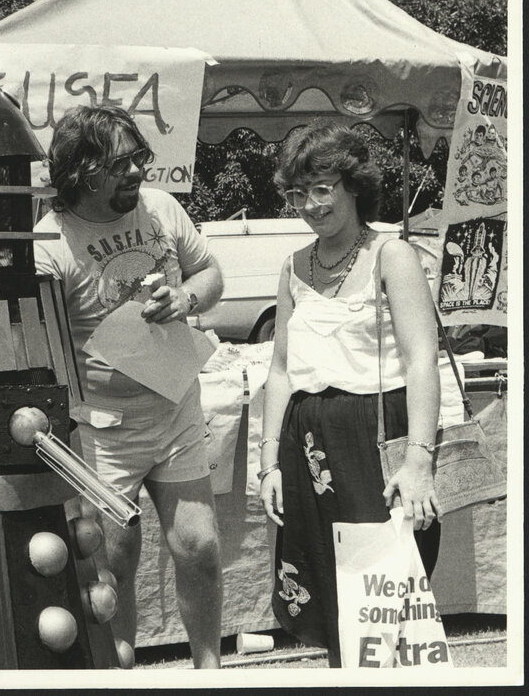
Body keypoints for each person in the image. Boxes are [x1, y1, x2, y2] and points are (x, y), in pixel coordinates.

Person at [34, 105, 224, 668]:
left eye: (140, 157)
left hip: (175, 407)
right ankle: (122, 673)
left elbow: (211, 275)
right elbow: (42, 352)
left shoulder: (161, 207)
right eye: (121, 164)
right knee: (113, 561)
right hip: (99, 431)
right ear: (81, 172)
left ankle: (210, 673)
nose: (138, 172)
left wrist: (185, 299)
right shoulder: (48, 244)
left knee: (201, 547)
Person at [258, 121, 441, 667]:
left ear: (354, 184)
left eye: (321, 188)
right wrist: (268, 461)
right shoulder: (293, 266)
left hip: (376, 440)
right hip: (307, 444)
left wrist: (419, 461)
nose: (309, 205)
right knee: (333, 599)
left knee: (387, 597)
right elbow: (282, 368)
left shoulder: (392, 256)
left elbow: (421, 361)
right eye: (297, 192)